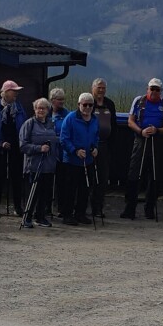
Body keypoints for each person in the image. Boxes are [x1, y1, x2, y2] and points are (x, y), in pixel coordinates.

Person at [122, 78, 163, 220]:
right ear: (147, 89)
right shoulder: (139, 101)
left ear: (160, 91)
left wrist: (158, 130)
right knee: (134, 174)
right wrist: (140, 131)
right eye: (152, 89)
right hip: (140, 139)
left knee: (155, 176)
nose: (154, 92)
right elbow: (130, 121)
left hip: (158, 141)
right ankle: (130, 208)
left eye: (157, 89)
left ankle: (149, 208)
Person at [0, 80, 27, 217]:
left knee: (16, 177)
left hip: (16, 146)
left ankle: (18, 206)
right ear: (5, 92)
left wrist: (22, 141)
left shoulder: (19, 107)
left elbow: (24, 126)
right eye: (13, 91)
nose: (16, 94)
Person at [59, 93, 100, 225]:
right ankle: (67, 215)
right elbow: (64, 139)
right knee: (70, 189)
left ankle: (80, 213)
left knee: (85, 188)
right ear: (78, 105)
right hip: (72, 161)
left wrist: (95, 148)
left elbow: (96, 136)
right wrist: (75, 150)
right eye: (85, 104)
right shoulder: (70, 118)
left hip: (87, 161)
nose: (87, 107)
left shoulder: (94, 119)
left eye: (90, 105)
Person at [19, 98, 60, 228]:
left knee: (45, 193)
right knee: (32, 193)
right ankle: (27, 217)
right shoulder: (29, 124)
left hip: (49, 166)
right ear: (34, 109)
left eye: (43, 108)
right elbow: (23, 146)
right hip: (34, 166)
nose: (41, 110)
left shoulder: (51, 124)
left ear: (48, 110)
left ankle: (41, 217)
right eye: (38, 108)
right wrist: (38, 148)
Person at [91, 78, 118, 219]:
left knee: (102, 178)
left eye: (103, 88)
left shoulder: (110, 104)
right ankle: (84, 207)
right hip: (91, 146)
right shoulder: (88, 103)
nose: (101, 90)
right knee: (90, 178)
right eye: (99, 87)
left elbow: (113, 124)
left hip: (105, 145)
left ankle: (98, 208)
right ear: (93, 88)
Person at [48, 87, 70, 218]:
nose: (61, 102)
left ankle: (62, 208)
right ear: (52, 100)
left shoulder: (67, 114)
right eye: (59, 100)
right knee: (48, 182)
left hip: (62, 153)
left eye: (63, 99)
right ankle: (47, 207)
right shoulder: (46, 112)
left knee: (62, 183)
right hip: (48, 153)